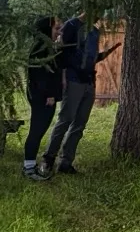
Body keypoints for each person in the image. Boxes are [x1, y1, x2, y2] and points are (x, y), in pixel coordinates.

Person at [42, 12, 116, 176]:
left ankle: (65, 162)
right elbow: (61, 53)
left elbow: (90, 58)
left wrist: (106, 54)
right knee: (65, 120)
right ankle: (48, 159)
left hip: (89, 82)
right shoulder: (71, 26)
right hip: (73, 80)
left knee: (79, 124)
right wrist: (62, 77)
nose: (98, 15)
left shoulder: (94, 32)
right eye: (95, 10)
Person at [22, 16, 60, 180]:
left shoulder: (47, 47)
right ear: (47, 29)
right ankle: (28, 168)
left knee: (39, 130)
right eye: (56, 28)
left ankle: (30, 165)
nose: (59, 32)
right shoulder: (40, 48)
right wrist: (49, 94)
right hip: (42, 96)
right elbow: (40, 74)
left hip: (45, 96)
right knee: (36, 131)